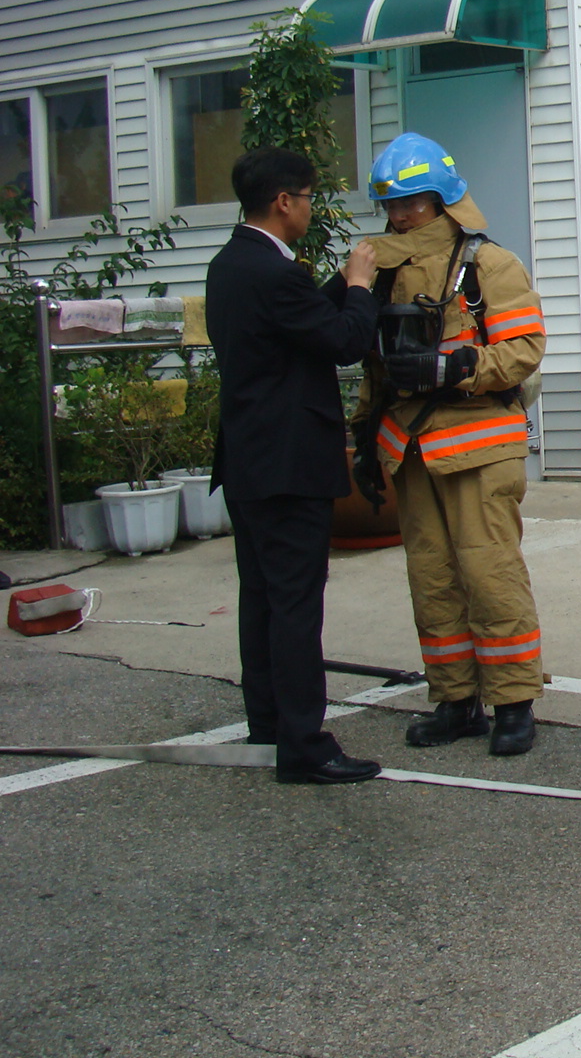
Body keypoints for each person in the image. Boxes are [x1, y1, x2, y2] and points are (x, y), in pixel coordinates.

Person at [351, 133, 547, 757]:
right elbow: (375, 370)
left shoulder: (489, 265)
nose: (401, 216)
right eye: (392, 205)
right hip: (410, 448)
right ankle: (456, 701)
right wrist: (364, 438)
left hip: (479, 448)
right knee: (432, 579)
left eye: (412, 203)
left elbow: (523, 351)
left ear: (442, 200)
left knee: (490, 576)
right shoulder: (380, 272)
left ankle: (514, 702)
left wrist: (455, 367)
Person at [208, 146, 382, 785]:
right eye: (308, 198)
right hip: (289, 464)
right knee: (296, 606)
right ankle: (305, 744)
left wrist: (337, 281)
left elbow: (299, 324)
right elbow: (342, 340)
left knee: (261, 598)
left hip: (249, 460)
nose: (310, 208)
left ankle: (269, 725)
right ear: (284, 201)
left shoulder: (232, 263)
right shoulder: (275, 273)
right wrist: (359, 286)